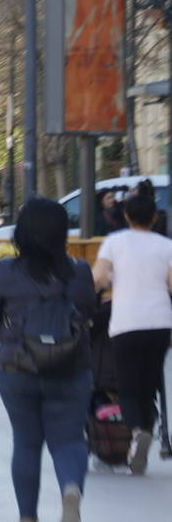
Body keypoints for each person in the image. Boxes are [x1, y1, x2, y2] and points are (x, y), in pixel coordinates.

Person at [0, 198, 97, 522]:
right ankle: (71, 488)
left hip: (17, 367)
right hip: (71, 367)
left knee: (26, 443)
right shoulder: (79, 271)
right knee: (70, 438)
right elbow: (88, 309)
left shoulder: (6, 272)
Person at [92, 192, 172, 474]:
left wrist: (103, 288)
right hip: (160, 323)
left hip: (126, 323)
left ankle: (138, 433)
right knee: (147, 387)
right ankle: (144, 440)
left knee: (127, 388)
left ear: (126, 216)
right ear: (153, 217)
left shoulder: (114, 243)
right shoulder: (166, 246)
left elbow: (98, 278)